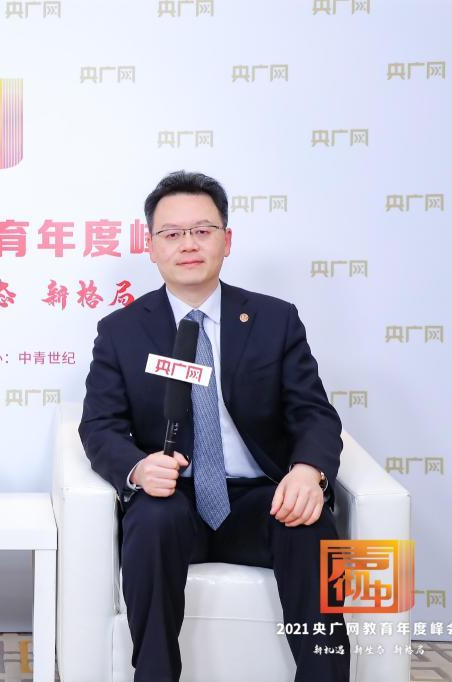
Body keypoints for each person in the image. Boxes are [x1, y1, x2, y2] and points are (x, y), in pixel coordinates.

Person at [79, 171, 349, 681]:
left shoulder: (274, 320)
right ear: (150, 247)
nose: (188, 244)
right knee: (150, 522)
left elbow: (313, 412)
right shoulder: (121, 331)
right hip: (172, 498)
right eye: (172, 234)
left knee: (309, 524)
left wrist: (308, 470)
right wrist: (138, 468)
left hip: (261, 498)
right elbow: (100, 426)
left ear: (227, 239)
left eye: (202, 231)